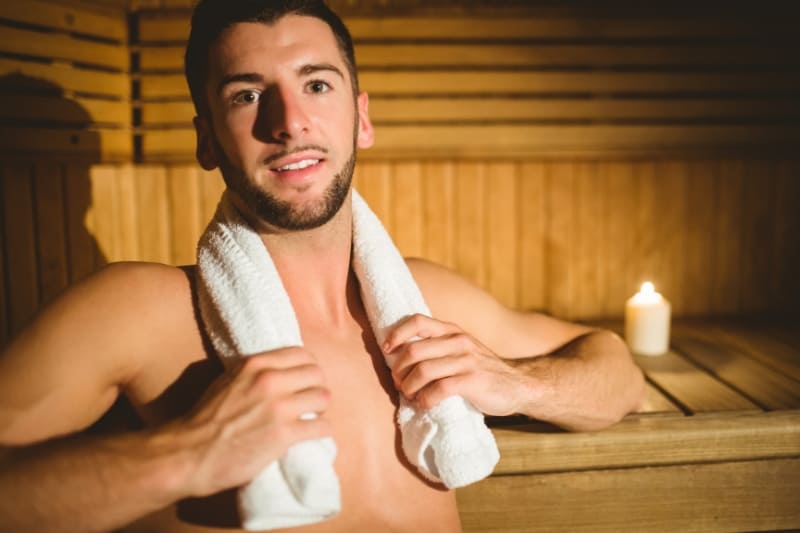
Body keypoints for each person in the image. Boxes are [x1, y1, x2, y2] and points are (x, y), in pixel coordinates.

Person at [0, 1, 645, 531]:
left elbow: (618, 374)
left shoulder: (427, 299)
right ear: (206, 139)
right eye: (248, 95)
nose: (290, 122)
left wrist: (517, 383)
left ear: (360, 117)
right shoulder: (140, 311)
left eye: (315, 84)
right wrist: (184, 456)